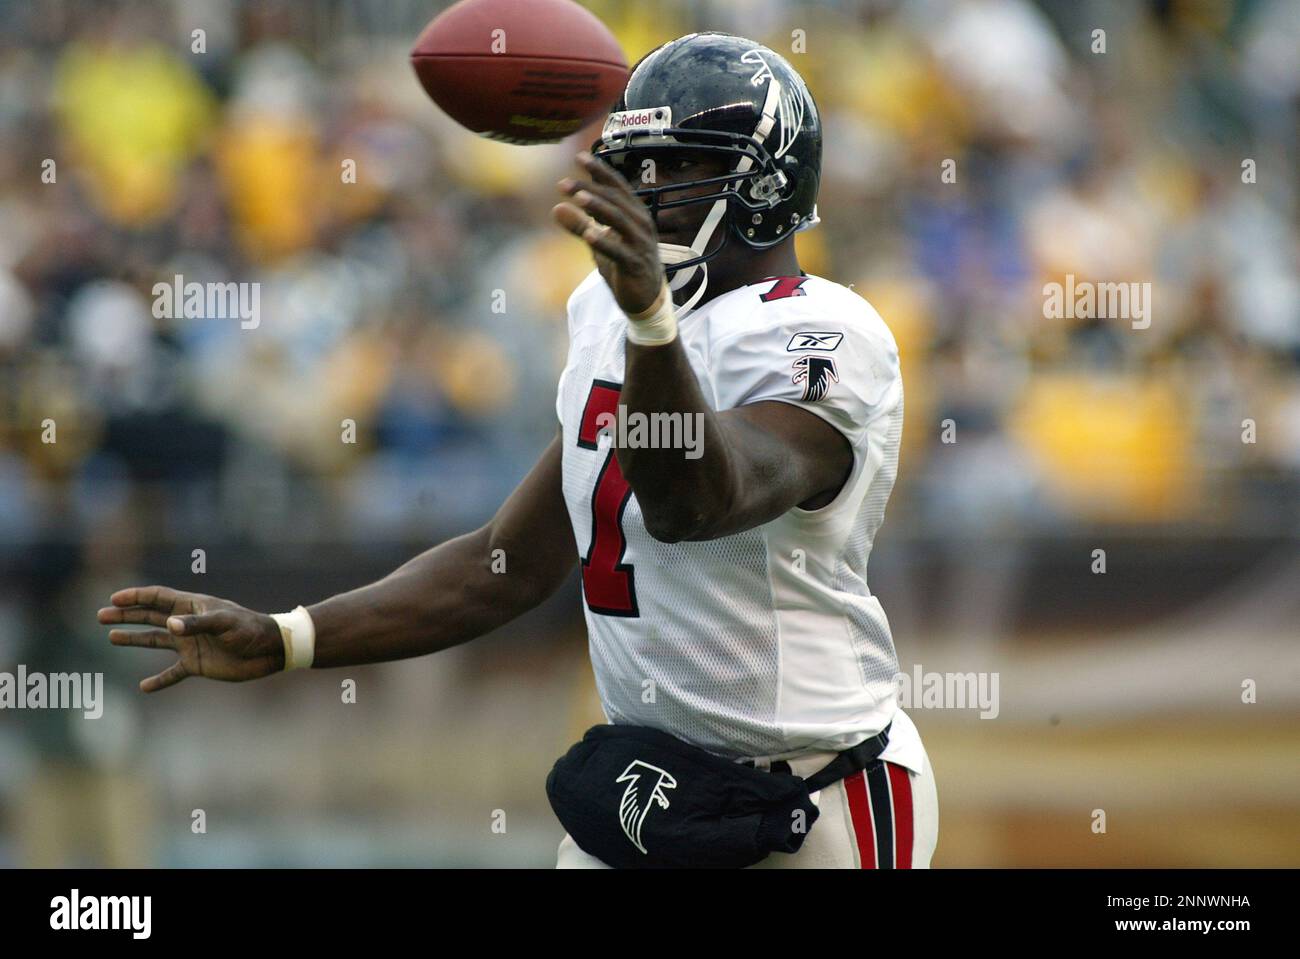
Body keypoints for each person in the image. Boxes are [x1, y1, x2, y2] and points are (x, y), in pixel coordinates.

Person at [98, 32, 938, 869]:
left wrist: (651, 321)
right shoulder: (608, 316)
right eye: (636, 167)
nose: (649, 192)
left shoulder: (821, 332)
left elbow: (695, 502)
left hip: (817, 797)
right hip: (656, 788)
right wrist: (289, 636)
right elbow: (506, 562)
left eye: (679, 166)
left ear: (766, 180)